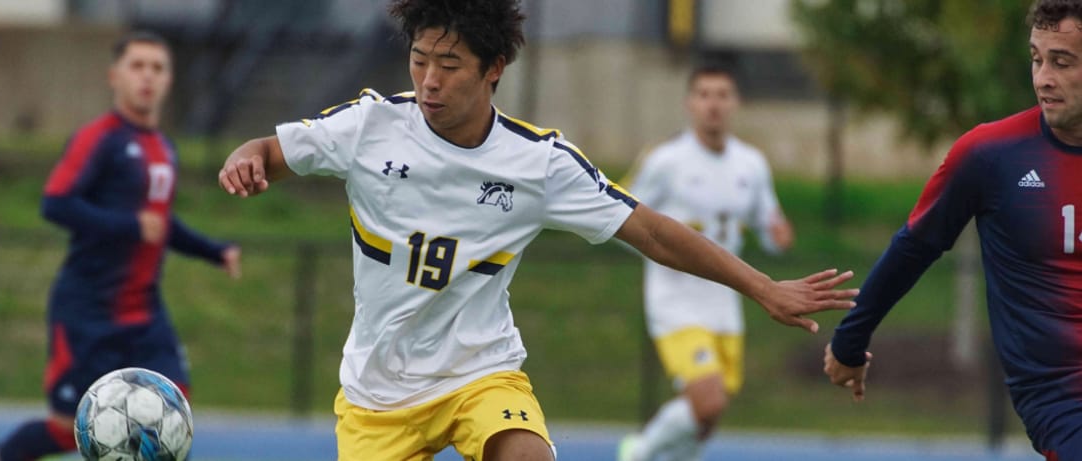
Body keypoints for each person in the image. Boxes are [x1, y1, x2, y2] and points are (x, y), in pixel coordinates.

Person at [219, 1, 855, 459]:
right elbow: (271, 153)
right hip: (376, 392)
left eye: (450, 64)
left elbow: (654, 232)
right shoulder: (368, 127)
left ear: (494, 68)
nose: (429, 80)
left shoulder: (540, 163)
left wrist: (763, 287)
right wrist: (247, 158)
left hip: (480, 373)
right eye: (419, 60)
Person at [824, 1, 1082, 458]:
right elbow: (913, 249)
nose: (1043, 77)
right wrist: (849, 341)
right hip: (1064, 400)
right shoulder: (990, 155)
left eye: (1062, 62)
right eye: (1037, 59)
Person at [0, 31, 241, 461]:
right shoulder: (99, 138)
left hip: (146, 315)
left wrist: (215, 251)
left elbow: (161, 224)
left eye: (157, 68)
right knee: (68, 430)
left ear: (170, 79)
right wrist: (129, 224)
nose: (147, 77)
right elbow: (56, 203)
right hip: (88, 312)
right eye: (137, 66)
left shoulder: (164, 149)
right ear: (114, 76)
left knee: (171, 414)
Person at [617, 65, 794, 461]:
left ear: (735, 104)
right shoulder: (665, 160)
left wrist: (777, 236)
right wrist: (663, 250)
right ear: (689, 103)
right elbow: (620, 219)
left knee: (707, 418)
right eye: (704, 95)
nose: (713, 105)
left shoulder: (751, 164)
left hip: (725, 300)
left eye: (722, 95)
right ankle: (639, 451)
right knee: (707, 401)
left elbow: (768, 223)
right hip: (675, 300)